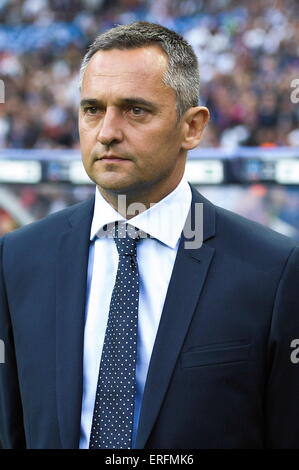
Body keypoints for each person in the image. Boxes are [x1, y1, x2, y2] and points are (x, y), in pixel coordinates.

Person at [0, 21, 299, 450]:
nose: (107, 132)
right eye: (92, 109)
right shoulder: (17, 258)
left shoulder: (273, 270)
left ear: (192, 127)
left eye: (135, 110)